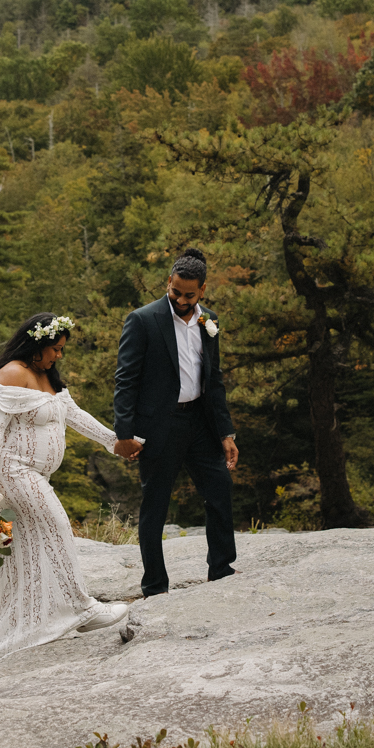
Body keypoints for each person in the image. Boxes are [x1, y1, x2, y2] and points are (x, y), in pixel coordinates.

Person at [0, 313, 130, 667]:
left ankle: (22, 621)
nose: (59, 356)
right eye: (55, 349)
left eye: (61, 350)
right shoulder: (12, 374)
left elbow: (74, 415)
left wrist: (113, 442)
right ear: (37, 344)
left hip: (37, 475)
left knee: (25, 550)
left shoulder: (46, 376)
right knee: (57, 527)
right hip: (15, 471)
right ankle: (82, 609)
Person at [112, 247, 239, 597]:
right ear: (168, 281)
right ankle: (154, 584)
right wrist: (124, 434)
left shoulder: (209, 321)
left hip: (201, 422)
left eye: (189, 294)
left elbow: (215, 380)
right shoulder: (143, 319)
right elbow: (126, 379)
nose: (181, 299)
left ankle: (222, 568)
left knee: (219, 489)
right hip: (159, 427)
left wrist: (226, 432)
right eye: (175, 291)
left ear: (202, 290)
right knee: (156, 504)